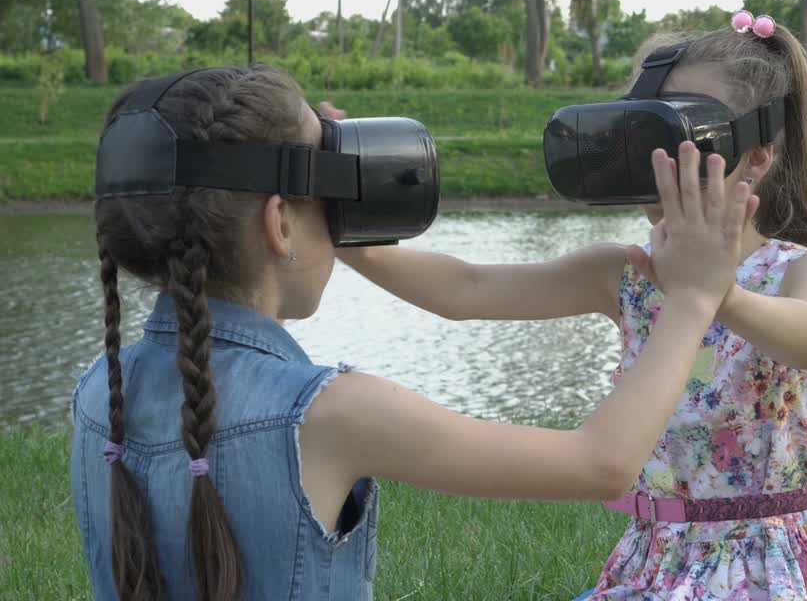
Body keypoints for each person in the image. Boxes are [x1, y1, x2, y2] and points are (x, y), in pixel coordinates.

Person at [71, 64, 757, 600]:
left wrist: (303, 172)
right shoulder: (332, 412)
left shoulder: (95, 394)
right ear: (280, 224)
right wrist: (694, 297)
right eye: (329, 206)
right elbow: (601, 464)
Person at [340, 17, 807, 599]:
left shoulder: (805, 270)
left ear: (754, 158)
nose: (659, 163)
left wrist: (714, 291)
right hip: (652, 560)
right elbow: (466, 288)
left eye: (683, 138)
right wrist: (338, 224)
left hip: (770, 568)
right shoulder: (624, 276)